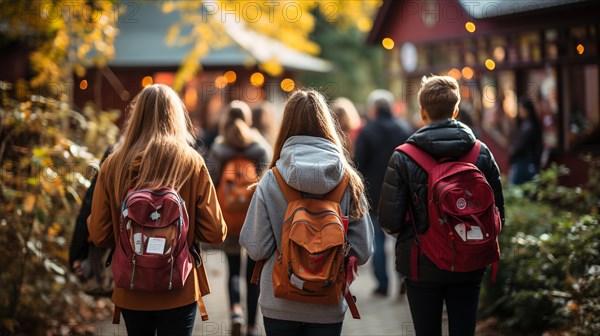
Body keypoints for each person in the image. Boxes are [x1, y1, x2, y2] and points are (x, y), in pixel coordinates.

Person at [88, 84, 227, 335]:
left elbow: (99, 234)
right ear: (175, 116)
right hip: (179, 288)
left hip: (131, 289)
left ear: (136, 116)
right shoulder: (191, 162)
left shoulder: (113, 164)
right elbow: (216, 232)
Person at [239, 89, 374, 336]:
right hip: (328, 304)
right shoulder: (348, 180)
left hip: (279, 304)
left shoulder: (272, 180)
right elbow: (363, 250)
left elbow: (256, 247)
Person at [378, 75, 505, 336]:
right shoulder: (480, 153)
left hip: (421, 264)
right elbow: (499, 214)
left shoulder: (403, 157)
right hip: (470, 259)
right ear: (456, 110)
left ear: (422, 112)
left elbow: (389, 220)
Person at [207, 100, 271, 336]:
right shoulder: (259, 147)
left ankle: (236, 311)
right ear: (249, 120)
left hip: (228, 219)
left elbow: (210, 184)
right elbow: (269, 183)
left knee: (233, 269)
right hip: (254, 218)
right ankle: (253, 325)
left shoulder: (218, 149)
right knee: (253, 271)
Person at [354, 89, 413, 297]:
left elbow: (358, 164)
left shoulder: (367, 132)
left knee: (377, 239)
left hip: (374, 194)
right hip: (400, 193)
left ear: (374, 109)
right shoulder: (404, 129)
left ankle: (382, 285)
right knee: (400, 238)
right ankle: (403, 278)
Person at [509, 97, 543, 185]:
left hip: (524, 161)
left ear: (527, 110)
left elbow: (521, 145)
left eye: (521, 108)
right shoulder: (530, 124)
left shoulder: (528, 126)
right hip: (529, 162)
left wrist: (513, 153)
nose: (519, 111)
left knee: (515, 187)